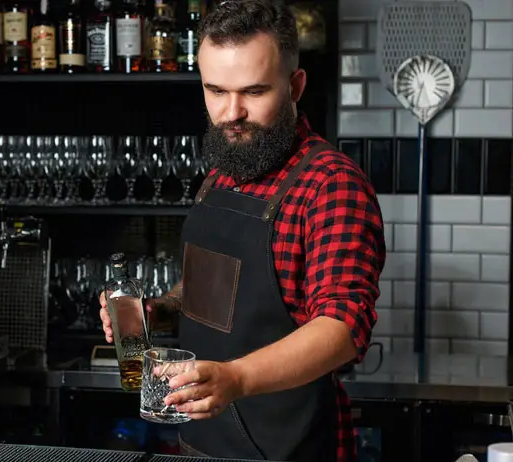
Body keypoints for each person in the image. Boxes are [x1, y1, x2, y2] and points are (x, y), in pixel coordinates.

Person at [100, 0, 386, 460]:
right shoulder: (224, 171)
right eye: (215, 90)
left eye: (253, 92)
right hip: (202, 443)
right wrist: (158, 311)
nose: (231, 113)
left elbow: (342, 327)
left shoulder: (330, 184)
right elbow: (212, 294)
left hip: (292, 447)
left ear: (295, 86)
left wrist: (238, 379)